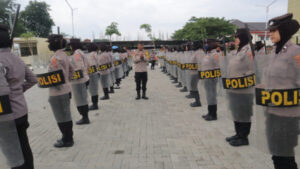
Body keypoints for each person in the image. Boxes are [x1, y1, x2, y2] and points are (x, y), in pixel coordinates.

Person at [256, 13, 300, 169]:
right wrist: (264, 85)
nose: (271, 34)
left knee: (285, 155)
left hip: (288, 115)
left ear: (285, 31)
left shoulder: (295, 52)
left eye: (274, 31)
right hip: (272, 111)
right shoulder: (274, 51)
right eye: (270, 31)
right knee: (276, 153)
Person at [0, 24, 37, 169]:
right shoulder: (17, 58)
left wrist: (11, 92)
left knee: (13, 153)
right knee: (24, 146)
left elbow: (2, 92)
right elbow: (33, 79)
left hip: (6, 115)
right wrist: (18, 91)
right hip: (22, 110)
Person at [224, 28, 255, 147]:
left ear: (242, 38)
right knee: (236, 112)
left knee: (244, 113)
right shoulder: (238, 51)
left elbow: (253, 70)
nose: (235, 39)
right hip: (234, 88)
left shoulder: (249, 51)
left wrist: (240, 79)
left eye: (237, 37)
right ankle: (238, 134)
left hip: (244, 89)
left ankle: (244, 137)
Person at [43, 34, 75, 148]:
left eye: (49, 43)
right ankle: (68, 137)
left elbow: (57, 77)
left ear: (54, 44)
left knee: (61, 116)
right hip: (66, 90)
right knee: (66, 114)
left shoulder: (55, 58)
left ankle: (67, 139)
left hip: (57, 92)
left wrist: (51, 83)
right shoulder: (65, 55)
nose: (49, 45)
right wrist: (67, 81)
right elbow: (71, 70)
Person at [69, 39, 90, 125]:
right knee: (82, 98)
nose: (69, 47)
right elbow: (88, 64)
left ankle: (85, 118)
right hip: (83, 78)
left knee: (80, 99)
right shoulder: (81, 52)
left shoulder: (77, 54)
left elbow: (79, 67)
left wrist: (71, 73)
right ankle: (85, 117)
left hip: (79, 80)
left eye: (70, 45)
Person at [200, 40, 220, 120]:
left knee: (212, 96)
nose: (205, 45)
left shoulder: (215, 54)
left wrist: (213, 75)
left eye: (207, 44)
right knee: (209, 96)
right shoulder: (209, 54)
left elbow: (217, 66)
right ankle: (209, 112)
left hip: (212, 78)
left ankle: (213, 114)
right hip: (207, 78)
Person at [86, 43, 99, 110]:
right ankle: (95, 104)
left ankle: (94, 104)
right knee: (94, 89)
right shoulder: (95, 53)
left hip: (92, 73)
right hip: (95, 72)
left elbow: (91, 65)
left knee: (92, 89)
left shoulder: (91, 55)